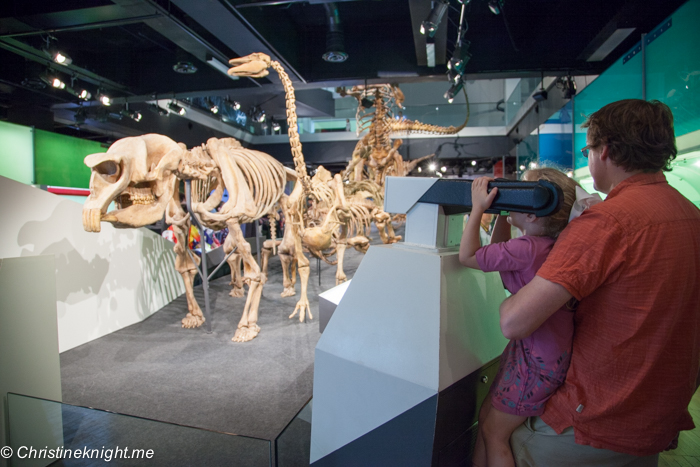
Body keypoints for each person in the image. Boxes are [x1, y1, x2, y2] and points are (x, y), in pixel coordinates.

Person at [501, 99, 700, 466]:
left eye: (588, 149)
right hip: (652, 423)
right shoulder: (692, 216)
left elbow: (514, 321)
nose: (589, 156)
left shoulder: (606, 223)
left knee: (495, 435)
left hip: (592, 422)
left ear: (605, 150)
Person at [459, 168, 582, 467]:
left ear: (534, 213)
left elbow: (469, 255)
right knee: (487, 415)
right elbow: (496, 250)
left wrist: (478, 209)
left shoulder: (526, 248)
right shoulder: (546, 246)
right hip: (539, 355)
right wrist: (502, 208)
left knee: (494, 432)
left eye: (520, 194)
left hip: (534, 363)